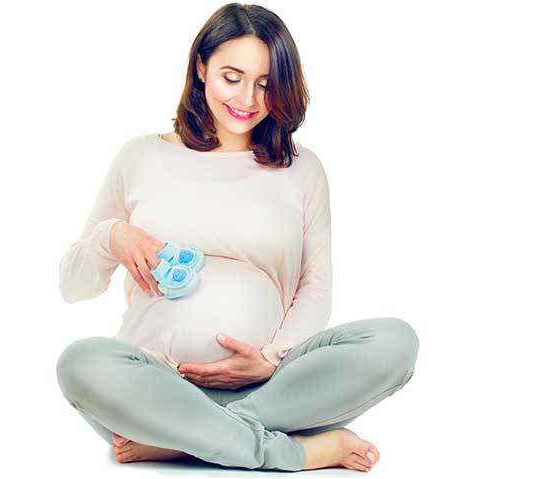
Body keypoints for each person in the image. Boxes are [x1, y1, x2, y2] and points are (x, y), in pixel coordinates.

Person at [56, 2, 419, 473]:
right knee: (80, 362)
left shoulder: (301, 169)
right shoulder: (140, 156)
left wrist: (271, 360)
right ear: (201, 66)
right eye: (233, 77)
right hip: (154, 385)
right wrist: (112, 237)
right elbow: (72, 286)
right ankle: (287, 450)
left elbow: (316, 284)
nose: (248, 98)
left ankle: (187, 439)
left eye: (266, 83)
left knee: (394, 342)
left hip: (273, 390)